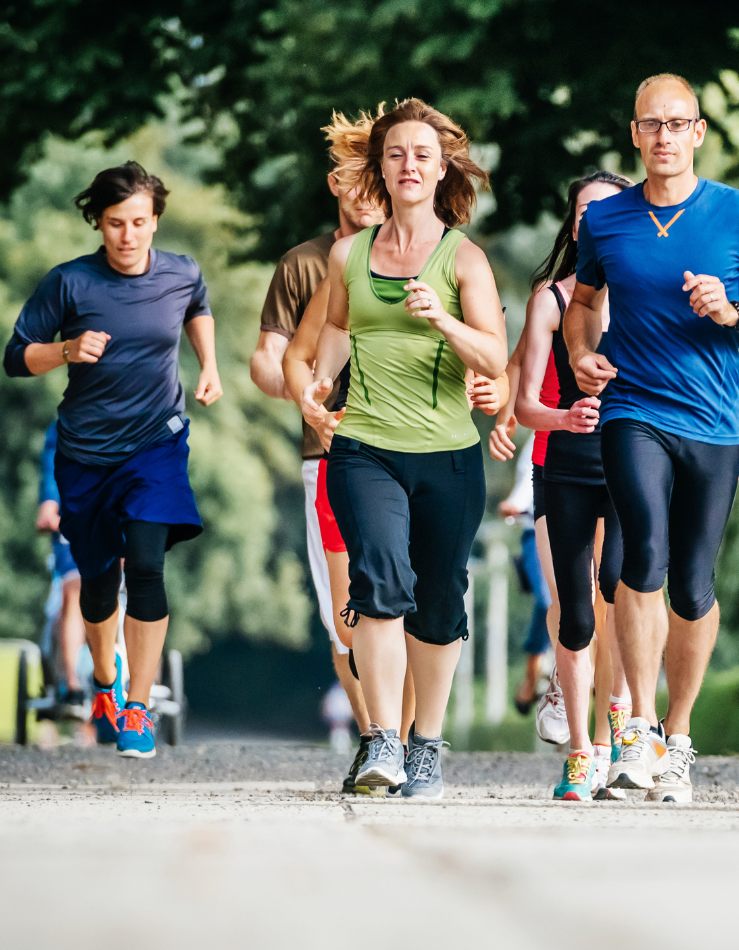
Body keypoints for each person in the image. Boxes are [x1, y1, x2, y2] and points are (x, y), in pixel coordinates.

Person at [564, 75, 739, 802]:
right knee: (643, 553)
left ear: (698, 133)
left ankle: (678, 736)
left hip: (712, 423)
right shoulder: (607, 222)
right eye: (651, 125)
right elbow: (583, 304)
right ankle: (634, 729)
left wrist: (732, 314)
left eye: (678, 124)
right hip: (633, 410)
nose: (664, 136)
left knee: (694, 587)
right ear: (634, 135)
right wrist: (580, 355)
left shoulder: (738, 214)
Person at [290, 98, 508, 799]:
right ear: (379, 168)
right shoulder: (349, 252)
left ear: (441, 168)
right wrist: (315, 389)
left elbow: (495, 359)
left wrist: (442, 318)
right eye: (395, 154)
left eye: (421, 154)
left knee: (439, 600)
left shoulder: (464, 258)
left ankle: (425, 746)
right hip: (365, 448)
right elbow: (333, 330)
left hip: (447, 455)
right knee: (379, 581)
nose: (408, 165)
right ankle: (382, 738)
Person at [4, 161, 223, 759]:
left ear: (155, 222)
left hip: (156, 443)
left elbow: (197, 306)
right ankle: (106, 682)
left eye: (139, 222)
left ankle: (137, 707)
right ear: (98, 223)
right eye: (114, 223)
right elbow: (16, 356)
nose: (128, 236)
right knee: (97, 584)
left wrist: (208, 364)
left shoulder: (180, 273)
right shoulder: (70, 283)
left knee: (146, 566)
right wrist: (66, 349)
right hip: (85, 454)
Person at [251, 110, 393, 795]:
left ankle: (410, 738)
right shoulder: (304, 265)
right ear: (335, 182)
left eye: (377, 176)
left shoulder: (424, 255)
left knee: (409, 599)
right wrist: (296, 386)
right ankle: (373, 738)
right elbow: (271, 358)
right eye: (352, 176)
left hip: (409, 449)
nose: (365, 190)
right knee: (344, 614)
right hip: (327, 455)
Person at [516, 170, 635, 800]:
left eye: (608, 209)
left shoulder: (650, 294)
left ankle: (623, 729)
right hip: (565, 465)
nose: (594, 220)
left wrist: (724, 435)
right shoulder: (551, 301)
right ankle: (581, 752)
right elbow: (523, 402)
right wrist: (560, 417)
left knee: (621, 589)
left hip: (636, 462)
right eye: (583, 210)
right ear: (572, 224)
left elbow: (691, 375)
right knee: (577, 608)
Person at [495, 434, 555, 716]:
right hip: (539, 531)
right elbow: (528, 479)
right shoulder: (540, 431)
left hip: (586, 533)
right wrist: (515, 503)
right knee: (547, 601)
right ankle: (533, 669)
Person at [38, 420, 89, 720]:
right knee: (74, 589)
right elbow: (52, 466)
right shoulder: (66, 423)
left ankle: (135, 682)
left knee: (136, 589)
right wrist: (49, 503)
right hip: (74, 518)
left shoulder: (132, 409)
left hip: (115, 515)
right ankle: (72, 687)